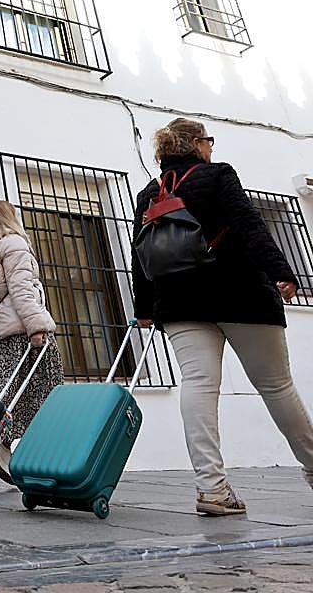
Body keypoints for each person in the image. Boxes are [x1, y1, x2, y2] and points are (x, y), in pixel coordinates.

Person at [132, 117, 313, 515]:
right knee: (276, 385)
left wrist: (143, 308)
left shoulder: (150, 192)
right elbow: (249, 225)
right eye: (208, 140)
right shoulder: (217, 175)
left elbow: (140, 253)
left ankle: (212, 489)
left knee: (197, 385)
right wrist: (281, 271)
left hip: (179, 304)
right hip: (240, 295)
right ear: (196, 144)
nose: (211, 147)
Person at [0, 199, 63, 483]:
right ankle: (41, 453)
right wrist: (37, 326)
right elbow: (22, 289)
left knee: (3, 388)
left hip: (0, 333)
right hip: (24, 330)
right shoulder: (13, 244)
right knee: (47, 391)